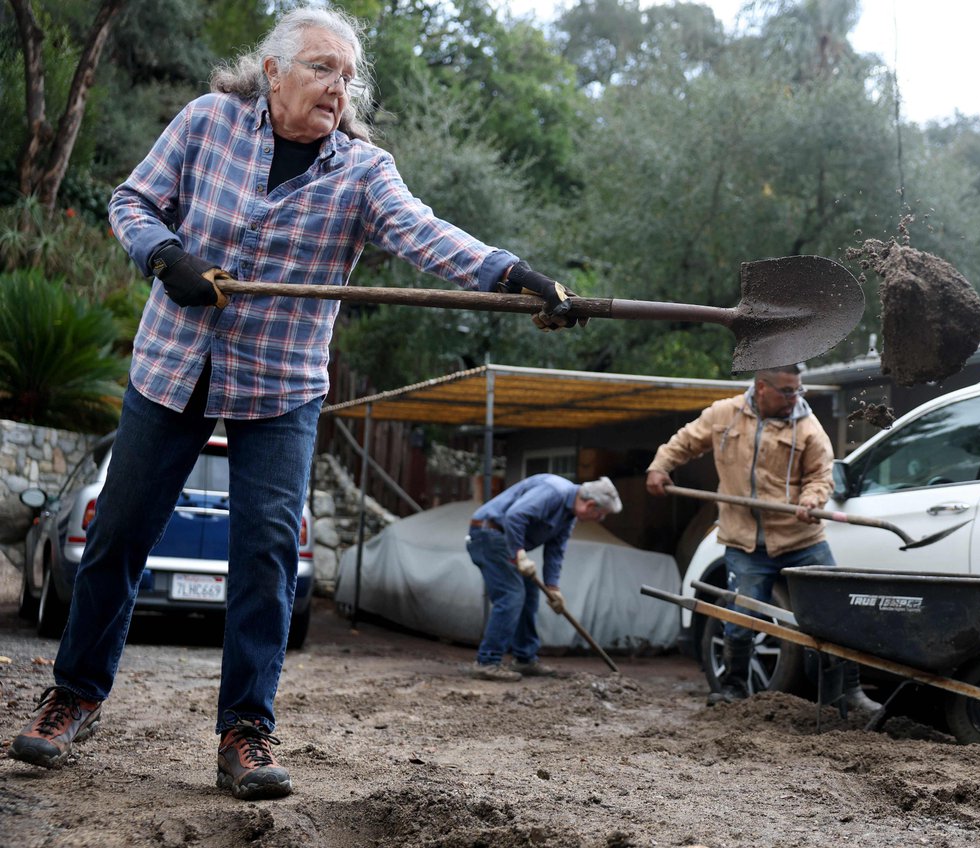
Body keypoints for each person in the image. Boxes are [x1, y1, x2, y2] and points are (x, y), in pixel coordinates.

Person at [5, 6, 582, 801]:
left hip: (280, 387)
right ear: (272, 71)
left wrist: (515, 276)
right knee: (118, 537)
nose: (338, 88)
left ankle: (245, 730)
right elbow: (131, 201)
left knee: (269, 556)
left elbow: (427, 235)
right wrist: (166, 254)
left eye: (348, 76)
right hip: (174, 365)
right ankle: (74, 696)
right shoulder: (209, 122)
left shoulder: (362, 173)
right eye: (322, 68)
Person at [646, 365, 881, 711]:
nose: (794, 398)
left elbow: (821, 476)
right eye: (787, 391)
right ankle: (734, 690)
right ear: (761, 387)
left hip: (801, 539)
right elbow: (686, 440)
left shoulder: (808, 427)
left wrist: (810, 499)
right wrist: (659, 466)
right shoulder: (724, 414)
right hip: (744, 541)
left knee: (834, 614)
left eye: (798, 390)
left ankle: (847, 692)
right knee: (740, 619)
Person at [467, 475, 623, 681]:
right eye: (600, 515)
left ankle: (525, 658)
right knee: (512, 595)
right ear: (591, 505)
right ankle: (487, 662)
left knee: (530, 593)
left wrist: (553, 588)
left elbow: (555, 551)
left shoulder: (568, 516)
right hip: (488, 534)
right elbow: (515, 516)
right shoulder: (554, 491)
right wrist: (519, 554)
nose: (599, 519)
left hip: (503, 540)